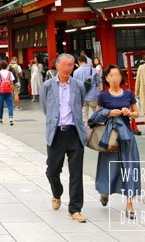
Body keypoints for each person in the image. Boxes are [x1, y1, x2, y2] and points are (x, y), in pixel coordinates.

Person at [40, 53, 88, 223]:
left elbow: (80, 104)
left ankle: (75, 209)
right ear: (57, 66)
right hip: (56, 133)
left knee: (76, 173)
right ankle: (57, 192)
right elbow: (46, 108)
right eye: (66, 65)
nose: (69, 68)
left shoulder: (79, 85)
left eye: (71, 65)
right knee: (52, 170)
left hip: (74, 133)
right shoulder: (47, 86)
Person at [93, 65, 141, 219]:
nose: (114, 78)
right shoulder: (103, 96)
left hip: (126, 137)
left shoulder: (128, 93)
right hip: (110, 139)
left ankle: (129, 204)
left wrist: (130, 113)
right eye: (111, 75)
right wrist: (108, 113)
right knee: (108, 168)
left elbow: (136, 113)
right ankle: (104, 192)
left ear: (121, 77)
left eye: (117, 75)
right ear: (106, 78)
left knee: (129, 167)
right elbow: (96, 116)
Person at [72, 55, 101, 123]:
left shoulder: (76, 72)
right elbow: (98, 82)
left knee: (84, 115)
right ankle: (95, 127)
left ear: (79, 62)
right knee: (96, 112)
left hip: (82, 96)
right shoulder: (93, 70)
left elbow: (75, 85)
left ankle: (86, 130)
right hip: (93, 95)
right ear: (86, 61)